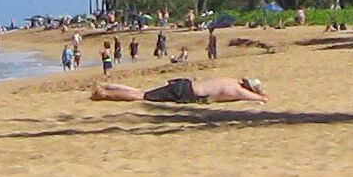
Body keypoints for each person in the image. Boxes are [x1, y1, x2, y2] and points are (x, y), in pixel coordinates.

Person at [90, 74, 267, 104]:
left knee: (142, 91)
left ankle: (108, 86)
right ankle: (105, 93)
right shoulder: (236, 90)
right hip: (186, 92)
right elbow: (260, 99)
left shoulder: (230, 80)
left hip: (185, 84)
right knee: (142, 96)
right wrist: (260, 96)